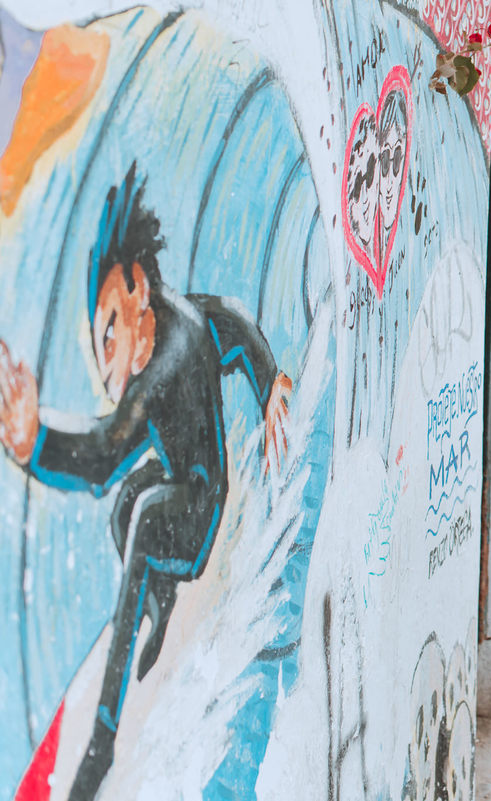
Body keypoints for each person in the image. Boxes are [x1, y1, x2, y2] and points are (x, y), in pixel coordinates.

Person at [0, 164, 291, 800]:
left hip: (200, 514)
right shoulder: (179, 313)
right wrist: (269, 382)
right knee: (130, 504)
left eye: (109, 330)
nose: (108, 360)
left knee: (141, 509)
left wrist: (33, 444)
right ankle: (160, 598)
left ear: (136, 288)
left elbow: (106, 454)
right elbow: (232, 324)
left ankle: (101, 743)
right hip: (186, 487)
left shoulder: (162, 362)